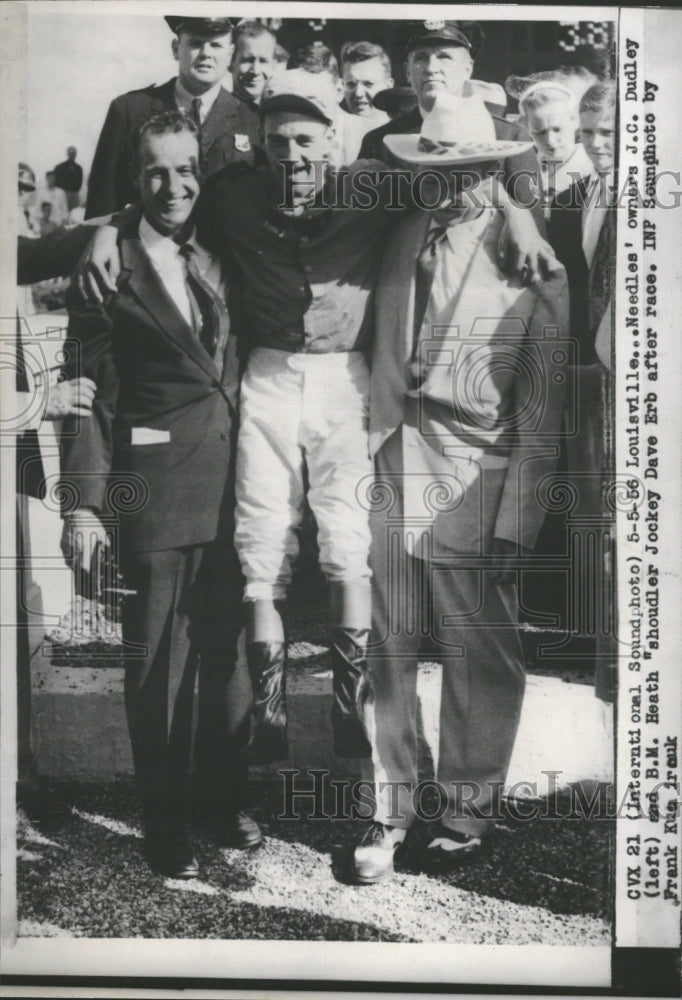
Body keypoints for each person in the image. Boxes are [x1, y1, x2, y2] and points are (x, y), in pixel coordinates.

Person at [79, 71, 558, 771]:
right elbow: (163, 203)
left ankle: (346, 700)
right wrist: (109, 230)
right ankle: (268, 709)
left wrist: (517, 211)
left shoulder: (370, 183)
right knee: (262, 530)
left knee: (346, 531)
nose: (294, 156)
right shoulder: (235, 193)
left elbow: (477, 156)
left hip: (346, 377)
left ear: (334, 138)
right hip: (269, 373)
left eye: (307, 140)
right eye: (279, 142)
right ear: (261, 145)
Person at [351, 95, 569, 884]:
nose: (443, 187)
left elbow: (543, 417)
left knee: (481, 649)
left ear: (490, 169)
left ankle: (467, 812)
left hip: (483, 466)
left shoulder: (536, 266)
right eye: (430, 171)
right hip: (395, 451)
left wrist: (518, 525)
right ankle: (390, 809)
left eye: (464, 172)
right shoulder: (402, 227)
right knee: (391, 641)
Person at [61, 111, 260, 879]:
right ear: (134, 180)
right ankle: (165, 822)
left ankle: (220, 801)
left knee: (233, 661)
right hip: (157, 495)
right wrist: (82, 502)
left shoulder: (223, 244)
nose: (173, 186)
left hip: (239, 493)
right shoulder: (104, 272)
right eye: (155, 172)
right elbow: (92, 401)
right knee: (157, 670)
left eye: (185, 169)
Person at [546, 80, 617, 702]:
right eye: (589, 133)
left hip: (632, 387)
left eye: (610, 133)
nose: (597, 145)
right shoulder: (589, 188)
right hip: (593, 378)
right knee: (592, 516)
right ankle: (602, 650)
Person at [85, 15, 260, 218]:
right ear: (176, 49)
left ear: (230, 54)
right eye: (195, 43)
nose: (206, 53)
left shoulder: (252, 118)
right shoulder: (129, 111)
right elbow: (102, 202)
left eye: (216, 45)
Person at [358, 19, 536, 194]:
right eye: (421, 57)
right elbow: (364, 220)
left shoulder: (510, 137)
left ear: (468, 69)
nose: (431, 68)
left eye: (444, 57)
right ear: (407, 72)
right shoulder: (379, 142)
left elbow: (529, 219)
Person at [505, 75, 593, 217]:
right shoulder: (525, 166)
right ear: (525, 127)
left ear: (576, 120)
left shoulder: (591, 166)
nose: (550, 141)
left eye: (557, 129)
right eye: (539, 132)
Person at [340, 41, 393, 125]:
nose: (358, 93)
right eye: (351, 84)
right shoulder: (336, 135)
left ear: (389, 86)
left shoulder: (402, 135)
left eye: (368, 83)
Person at [230, 20, 277, 106]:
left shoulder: (278, 115)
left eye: (263, 61)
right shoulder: (216, 113)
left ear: (273, 66)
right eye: (248, 60)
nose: (256, 71)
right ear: (231, 62)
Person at [53, 146, 83, 212]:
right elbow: (54, 180)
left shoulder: (79, 168)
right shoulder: (60, 167)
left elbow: (80, 182)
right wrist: (61, 192)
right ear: (68, 154)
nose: (72, 155)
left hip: (74, 195)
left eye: (74, 154)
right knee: (63, 213)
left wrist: (74, 192)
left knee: (75, 213)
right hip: (63, 194)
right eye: (71, 154)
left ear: (76, 154)